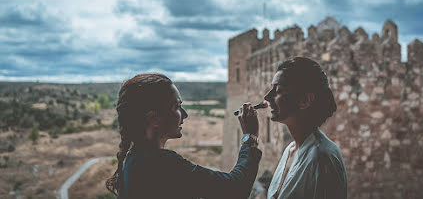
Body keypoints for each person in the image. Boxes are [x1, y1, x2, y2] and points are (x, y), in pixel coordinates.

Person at [106, 73, 262, 199]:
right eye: (177, 106)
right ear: (154, 119)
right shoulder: (161, 165)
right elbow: (235, 190)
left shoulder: (134, 159)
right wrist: (250, 137)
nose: (185, 115)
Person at [263, 57, 347, 199]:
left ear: (305, 100)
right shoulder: (290, 150)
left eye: (277, 90)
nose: (267, 97)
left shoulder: (323, 158)